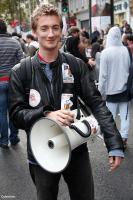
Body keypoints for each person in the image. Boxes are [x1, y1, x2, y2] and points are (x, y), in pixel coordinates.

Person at [9, 4, 124, 200]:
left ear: (61, 30)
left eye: (55, 27)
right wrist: (45, 115)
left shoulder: (75, 65)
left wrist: (114, 143)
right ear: (35, 31)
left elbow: (96, 103)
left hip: (76, 149)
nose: (50, 34)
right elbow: (16, 115)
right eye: (44, 28)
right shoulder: (21, 71)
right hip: (41, 153)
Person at [98, 26, 131, 150]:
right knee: (125, 116)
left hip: (110, 91)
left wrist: (100, 92)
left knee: (109, 117)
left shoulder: (105, 52)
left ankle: (111, 141)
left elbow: (103, 76)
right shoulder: (126, 50)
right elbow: (129, 69)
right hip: (125, 90)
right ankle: (123, 139)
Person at [0, 19, 23, 148]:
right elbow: (22, 61)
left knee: (1, 112)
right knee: (13, 110)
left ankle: (3, 141)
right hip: (13, 82)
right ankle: (14, 138)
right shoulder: (15, 43)